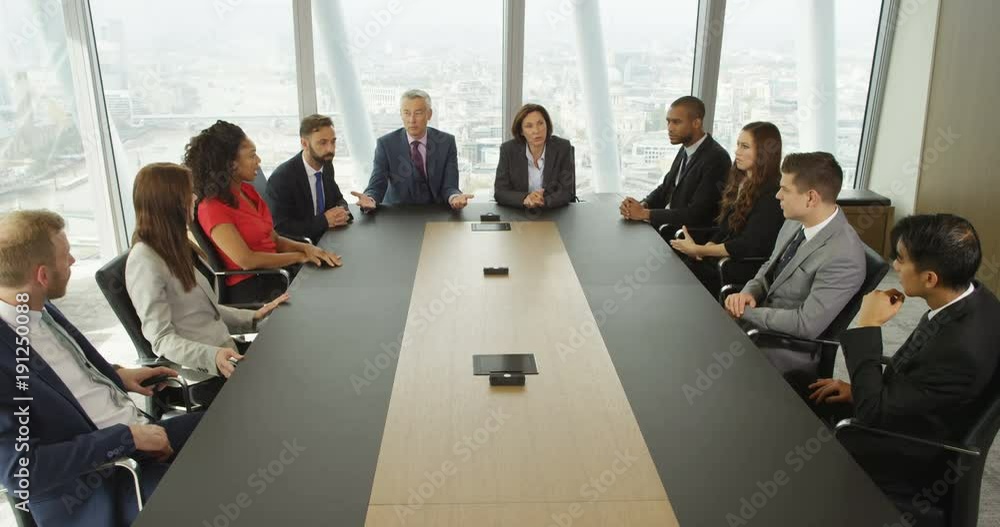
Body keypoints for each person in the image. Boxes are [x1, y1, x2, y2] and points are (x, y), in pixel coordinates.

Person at [0, 210, 202, 526]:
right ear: (42, 275)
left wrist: (116, 375)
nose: (73, 261)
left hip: (136, 436)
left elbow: (60, 373)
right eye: (66, 256)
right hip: (101, 483)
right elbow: (20, 470)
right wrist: (126, 439)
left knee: (236, 425)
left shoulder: (37, 306)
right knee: (224, 495)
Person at [808, 214, 1000, 497]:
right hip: (910, 416)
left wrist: (868, 324)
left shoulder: (959, 349)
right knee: (805, 400)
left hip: (908, 455)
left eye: (900, 259)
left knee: (791, 450)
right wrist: (857, 390)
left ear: (930, 278)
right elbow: (921, 387)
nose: (894, 266)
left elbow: (872, 414)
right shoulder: (975, 298)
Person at [126, 163, 288, 404]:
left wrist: (253, 317)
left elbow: (202, 311)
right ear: (168, 203)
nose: (193, 197)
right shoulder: (144, 261)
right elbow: (161, 340)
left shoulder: (176, 245)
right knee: (280, 391)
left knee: (289, 366)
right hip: (203, 374)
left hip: (225, 353)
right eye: (187, 193)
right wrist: (212, 357)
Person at [184, 120, 341, 304]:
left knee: (334, 281)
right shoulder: (212, 208)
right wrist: (300, 257)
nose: (258, 161)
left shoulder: (247, 191)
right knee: (326, 297)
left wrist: (308, 248)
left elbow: (274, 239)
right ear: (230, 164)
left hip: (278, 273)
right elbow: (247, 261)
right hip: (255, 284)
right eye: (252, 156)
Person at [723, 152, 865, 340]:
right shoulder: (795, 221)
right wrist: (748, 293)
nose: (777, 195)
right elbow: (770, 266)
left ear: (811, 198)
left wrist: (745, 313)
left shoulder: (844, 255)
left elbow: (805, 324)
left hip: (778, 343)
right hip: (757, 323)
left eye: (785, 190)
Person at [669, 122, 785, 294]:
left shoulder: (772, 193)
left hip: (740, 267)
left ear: (764, 153)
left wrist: (702, 249)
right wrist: (707, 247)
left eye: (745, 147)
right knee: (676, 269)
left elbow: (748, 245)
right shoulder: (741, 182)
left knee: (680, 279)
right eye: (738, 145)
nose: (737, 151)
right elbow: (725, 228)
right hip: (722, 259)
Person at [619, 96, 731, 230]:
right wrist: (642, 205)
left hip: (686, 238)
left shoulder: (717, 158)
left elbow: (698, 214)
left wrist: (644, 214)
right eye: (668, 122)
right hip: (666, 228)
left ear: (696, 123)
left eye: (676, 122)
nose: (670, 128)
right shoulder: (686, 148)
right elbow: (666, 187)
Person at [353, 90, 474, 211]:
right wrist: (370, 198)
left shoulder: (446, 142)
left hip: (436, 212)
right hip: (398, 214)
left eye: (418, 113)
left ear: (429, 114)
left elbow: (450, 186)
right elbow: (377, 185)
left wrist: (454, 198)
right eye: (406, 113)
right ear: (401, 114)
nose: (412, 120)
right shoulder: (385, 144)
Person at [265, 114, 352, 243]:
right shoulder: (282, 178)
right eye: (323, 142)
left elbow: (337, 198)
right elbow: (281, 228)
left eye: (333, 141)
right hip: (302, 248)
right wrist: (324, 221)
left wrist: (342, 211)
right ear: (304, 143)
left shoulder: (326, 164)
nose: (330, 149)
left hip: (328, 239)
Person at [494, 103, 576, 208]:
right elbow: (500, 192)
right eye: (529, 126)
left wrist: (543, 201)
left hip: (553, 211)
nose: (536, 131)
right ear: (521, 131)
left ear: (547, 125)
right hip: (519, 214)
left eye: (540, 123)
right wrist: (526, 198)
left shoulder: (562, 148)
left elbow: (566, 191)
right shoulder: (508, 150)